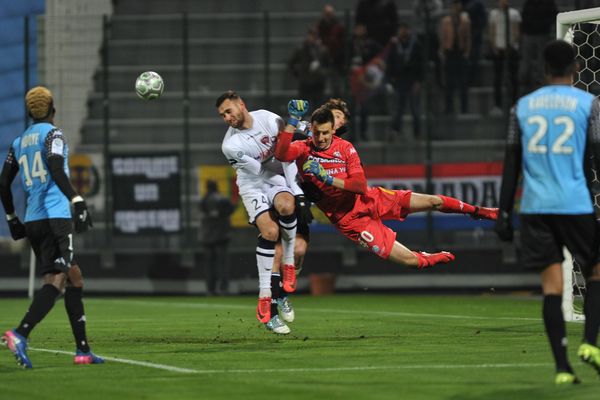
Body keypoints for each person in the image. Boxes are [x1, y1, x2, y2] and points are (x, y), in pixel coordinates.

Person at [275, 101, 498, 268]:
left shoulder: (345, 148)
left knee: (434, 201)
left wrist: (327, 178)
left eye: (325, 133)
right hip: (350, 220)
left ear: (333, 130)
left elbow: (360, 186)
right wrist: (293, 121)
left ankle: (479, 211)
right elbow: (282, 152)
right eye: (316, 133)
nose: (321, 138)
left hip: (371, 198)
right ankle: (427, 258)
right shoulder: (304, 148)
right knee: (410, 261)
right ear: (311, 130)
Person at [494, 40, 600, 384]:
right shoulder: (589, 104)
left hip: (537, 207)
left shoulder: (521, 108)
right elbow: (598, 153)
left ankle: (562, 369)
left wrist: (504, 213)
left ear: (543, 68)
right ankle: (590, 344)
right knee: (596, 272)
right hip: (575, 203)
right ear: (576, 67)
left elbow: (511, 165)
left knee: (552, 287)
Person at [0, 86, 100, 368]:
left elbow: (3, 182)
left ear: (29, 111)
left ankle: (83, 351)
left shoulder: (19, 141)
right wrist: (77, 200)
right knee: (56, 280)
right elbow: (56, 169)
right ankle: (21, 333)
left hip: (33, 219)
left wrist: (11, 219)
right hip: (56, 217)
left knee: (74, 277)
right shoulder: (53, 134)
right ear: (53, 108)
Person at [216, 90, 301, 335]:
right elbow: (261, 173)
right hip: (253, 184)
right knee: (271, 231)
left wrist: (296, 190)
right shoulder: (231, 145)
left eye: (228, 111)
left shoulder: (267, 118)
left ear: (241, 105)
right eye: (222, 115)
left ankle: (287, 274)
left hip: (278, 175)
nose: (227, 118)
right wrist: (293, 187)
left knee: (287, 207)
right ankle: (266, 296)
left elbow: (287, 146)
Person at [386, 23, 424, 140]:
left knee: (415, 109)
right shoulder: (394, 45)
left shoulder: (416, 45)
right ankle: (395, 130)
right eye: (401, 29)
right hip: (399, 81)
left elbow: (421, 64)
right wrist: (390, 79)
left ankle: (417, 132)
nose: (403, 31)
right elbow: (390, 63)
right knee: (398, 109)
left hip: (412, 81)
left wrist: (419, 81)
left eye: (405, 29)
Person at [199, 179, 235, 296]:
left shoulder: (204, 200)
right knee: (223, 264)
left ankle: (210, 289)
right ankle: (224, 288)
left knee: (209, 264)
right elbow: (231, 209)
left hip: (207, 236)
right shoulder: (222, 198)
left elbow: (202, 211)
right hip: (221, 236)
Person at [488, 0, 521, 115]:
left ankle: (515, 104)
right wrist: (494, 47)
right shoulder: (493, 14)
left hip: (511, 50)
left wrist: (512, 45)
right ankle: (497, 105)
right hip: (499, 49)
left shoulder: (514, 13)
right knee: (497, 79)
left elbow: (516, 31)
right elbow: (492, 31)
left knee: (513, 78)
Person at [519, 0, 558, 95]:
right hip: (529, 33)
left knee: (542, 60)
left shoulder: (548, 3)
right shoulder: (529, 2)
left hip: (542, 33)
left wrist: (544, 24)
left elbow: (554, 15)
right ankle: (525, 83)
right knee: (526, 62)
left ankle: (541, 83)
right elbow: (524, 15)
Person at [439, 0, 471, 114]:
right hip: (450, 52)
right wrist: (442, 51)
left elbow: (468, 38)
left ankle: (464, 108)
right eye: (454, 6)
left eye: (458, 5)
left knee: (463, 83)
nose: (456, 8)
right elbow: (443, 37)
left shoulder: (465, 21)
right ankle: (449, 107)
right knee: (449, 83)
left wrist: (467, 52)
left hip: (460, 53)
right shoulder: (446, 21)